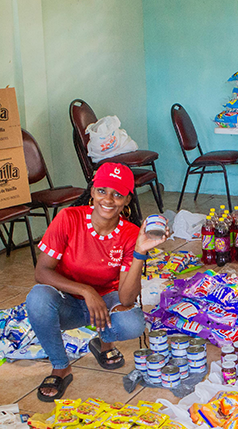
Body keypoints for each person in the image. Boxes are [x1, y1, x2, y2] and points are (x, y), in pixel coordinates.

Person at [26, 162, 165, 401]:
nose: (108, 200)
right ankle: (61, 366)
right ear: (92, 191)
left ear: (127, 200)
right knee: (37, 298)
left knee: (133, 323)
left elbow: (126, 298)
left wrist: (140, 252)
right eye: (102, 191)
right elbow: (42, 272)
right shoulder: (68, 218)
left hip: (107, 303)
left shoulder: (131, 234)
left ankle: (104, 343)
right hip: (67, 302)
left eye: (117, 194)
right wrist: (86, 291)